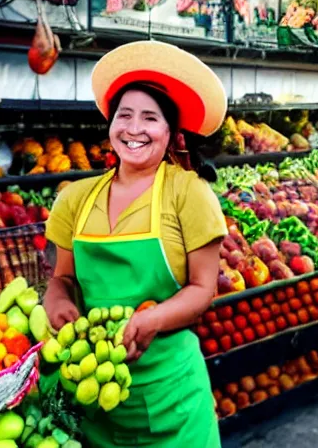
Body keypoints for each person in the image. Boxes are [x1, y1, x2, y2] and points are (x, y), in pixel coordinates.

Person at [44, 40, 228, 447]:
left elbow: (203, 289)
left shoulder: (189, 193)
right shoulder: (74, 198)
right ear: (110, 125)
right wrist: (57, 302)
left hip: (171, 398)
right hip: (94, 396)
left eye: (150, 118)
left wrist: (152, 320)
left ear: (170, 132)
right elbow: (62, 278)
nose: (133, 129)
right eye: (124, 115)